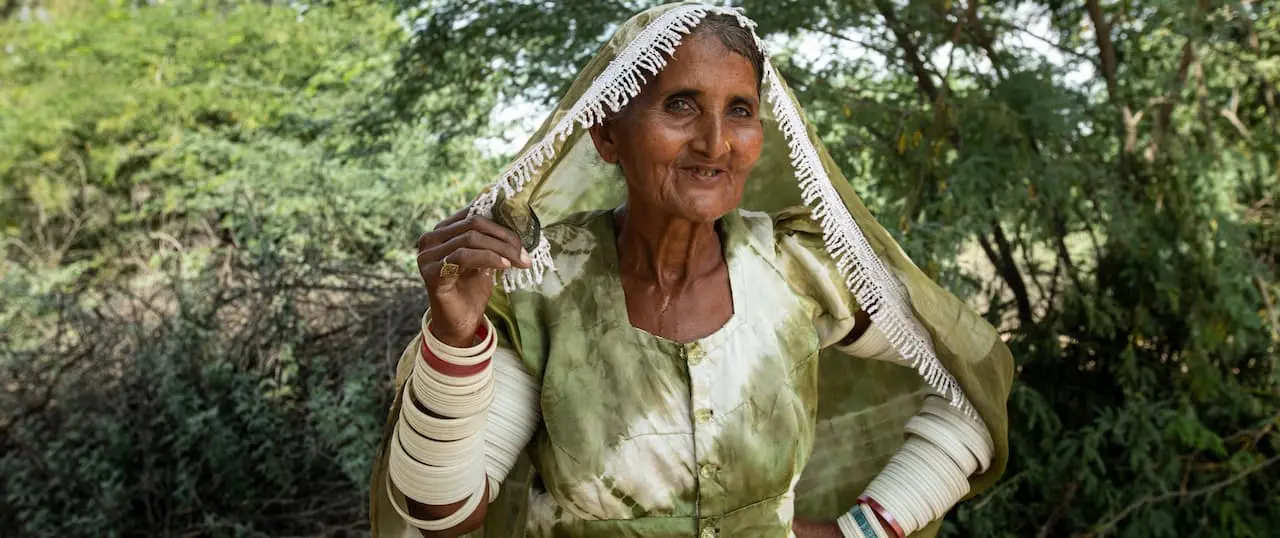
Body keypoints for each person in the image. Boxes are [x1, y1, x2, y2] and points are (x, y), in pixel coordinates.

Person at [370, 3, 1013, 538]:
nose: (715, 142)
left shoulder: (797, 273)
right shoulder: (540, 284)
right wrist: (453, 336)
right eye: (680, 105)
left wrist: (866, 530)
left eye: (739, 109)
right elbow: (442, 513)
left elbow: (976, 380)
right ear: (606, 135)